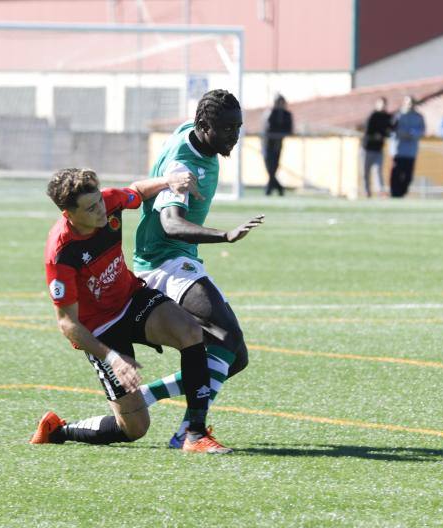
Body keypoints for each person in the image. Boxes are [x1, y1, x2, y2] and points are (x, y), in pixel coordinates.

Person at [32, 167, 232, 454]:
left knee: (189, 330)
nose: (100, 211)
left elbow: (136, 191)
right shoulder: (61, 253)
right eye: (90, 208)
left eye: (99, 201)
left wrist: (168, 181)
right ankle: (57, 431)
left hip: (131, 299)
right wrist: (113, 358)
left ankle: (195, 434)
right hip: (99, 331)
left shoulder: (110, 202)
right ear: (69, 214)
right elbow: (67, 324)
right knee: (134, 429)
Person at [134, 89, 265, 449]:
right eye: (226, 129)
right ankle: (191, 432)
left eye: (238, 127)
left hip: (180, 258)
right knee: (225, 337)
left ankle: (144, 397)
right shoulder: (183, 163)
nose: (234, 136)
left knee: (235, 358)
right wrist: (224, 235)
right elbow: (171, 225)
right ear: (204, 125)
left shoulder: (193, 133)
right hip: (164, 261)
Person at [388, 95, 425, 198]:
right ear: (404, 103)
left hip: (410, 152)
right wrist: (402, 133)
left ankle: (402, 194)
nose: (410, 105)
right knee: (396, 174)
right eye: (408, 102)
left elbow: (421, 131)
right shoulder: (397, 115)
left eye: (412, 103)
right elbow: (392, 130)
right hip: (398, 151)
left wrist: (412, 134)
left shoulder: (418, 117)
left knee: (408, 176)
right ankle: (394, 194)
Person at [262, 94, 293, 196]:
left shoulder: (286, 114)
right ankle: (278, 188)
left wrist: (280, 132)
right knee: (269, 168)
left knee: (274, 167)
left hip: (278, 144)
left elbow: (289, 129)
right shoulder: (271, 113)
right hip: (267, 144)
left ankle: (270, 189)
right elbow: (268, 127)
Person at [361, 96, 392, 197]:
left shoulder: (387, 117)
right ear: (377, 104)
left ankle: (381, 192)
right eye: (380, 104)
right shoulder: (372, 116)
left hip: (379, 149)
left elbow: (389, 130)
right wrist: (375, 136)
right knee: (365, 172)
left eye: (384, 104)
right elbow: (367, 133)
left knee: (378, 171)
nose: (382, 106)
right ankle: (367, 192)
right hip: (367, 148)